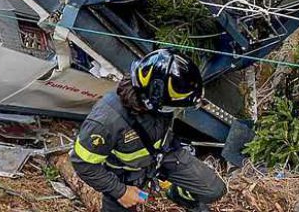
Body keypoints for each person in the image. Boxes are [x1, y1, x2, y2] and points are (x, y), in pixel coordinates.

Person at [71, 49, 226, 212]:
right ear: (153, 101)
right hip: (125, 175)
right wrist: (120, 192)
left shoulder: (158, 96)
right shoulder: (105, 121)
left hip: (164, 155)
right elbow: (83, 164)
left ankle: (176, 193)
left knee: (214, 190)